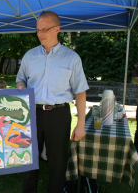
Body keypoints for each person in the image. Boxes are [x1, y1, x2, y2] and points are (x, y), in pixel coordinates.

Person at [16, 11, 89, 193]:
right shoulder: (29, 56)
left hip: (59, 114)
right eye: (38, 30)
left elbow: (80, 92)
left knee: (57, 163)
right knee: (29, 160)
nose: (40, 34)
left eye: (45, 29)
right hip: (32, 113)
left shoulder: (71, 58)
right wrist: (21, 86)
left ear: (57, 29)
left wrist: (80, 124)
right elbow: (20, 78)